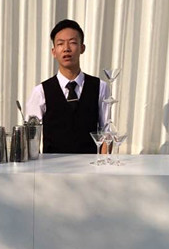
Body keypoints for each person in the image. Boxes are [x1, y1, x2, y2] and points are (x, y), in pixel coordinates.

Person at [26, 19, 110, 153]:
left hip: (89, 163)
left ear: (82, 48)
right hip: (52, 164)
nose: (66, 49)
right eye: (60, 44)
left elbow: (106, 132)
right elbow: (30, 136)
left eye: (72, 42)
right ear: (54, 52)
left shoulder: (100, 87)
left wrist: (103, 163)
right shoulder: (41, 91)